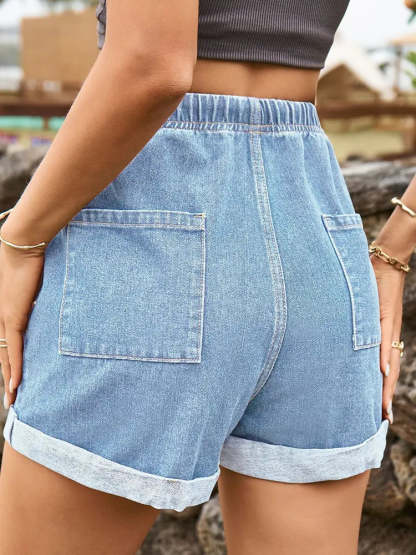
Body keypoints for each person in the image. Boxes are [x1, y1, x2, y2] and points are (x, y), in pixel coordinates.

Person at [0, 1, 411, 553]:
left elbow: (152, 67)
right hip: (317, 229)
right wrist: (393, 253)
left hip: (152, 222)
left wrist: (19, 241)